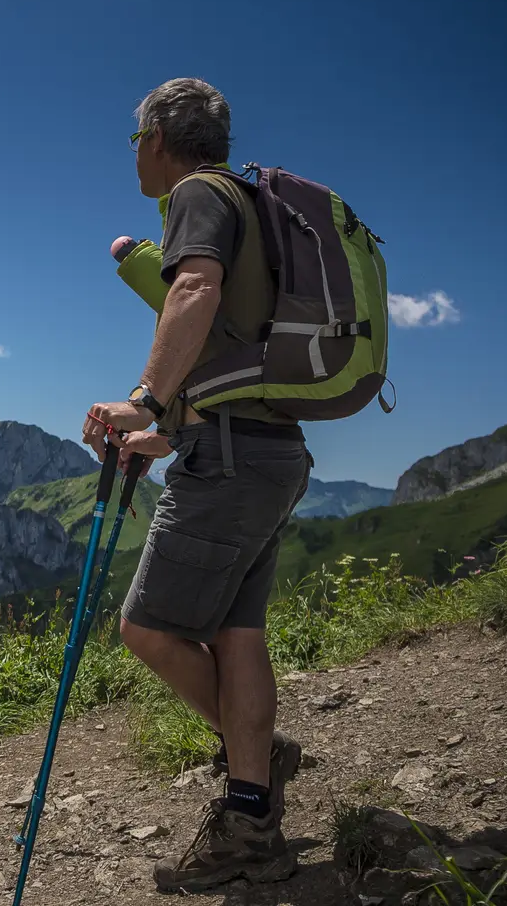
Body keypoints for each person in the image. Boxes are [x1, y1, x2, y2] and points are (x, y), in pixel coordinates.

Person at [83, 77, 312, 892]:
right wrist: (168, 430)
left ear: (157, 137)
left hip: (231, 462)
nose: (135, 154)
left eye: (136, 138)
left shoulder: (199, 196)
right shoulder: (253, 203)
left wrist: (141, 398)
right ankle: (253, 801)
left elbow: (194, 289)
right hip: (270, 449)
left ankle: (257, 770)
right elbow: (236, 348)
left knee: (147, 629)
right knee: (237, 636)